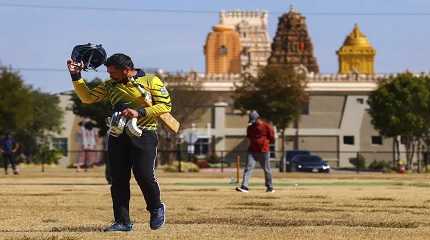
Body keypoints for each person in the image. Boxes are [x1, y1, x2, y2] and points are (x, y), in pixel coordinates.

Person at [67, 53, 171, 232]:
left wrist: (140, 112)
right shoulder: (109, 85)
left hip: (144, 134)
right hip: (118, 134)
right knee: (118, 179)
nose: (109, 76)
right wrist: (76, 76)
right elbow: (87, 97)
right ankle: (122, 222)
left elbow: (165, 106)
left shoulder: (151, 81)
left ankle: (156, 208)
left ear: (126, 71)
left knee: (144, 174)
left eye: (113, 72)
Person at [236, 110, 275, 193]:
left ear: (258, 118)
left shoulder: (266, 126)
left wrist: (265, 143)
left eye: (254, 120)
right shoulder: (250, 128)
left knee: (266, 169)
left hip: (264, 151)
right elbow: (249, 137)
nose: (253, 123)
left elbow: (272, 137)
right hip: (252, 151)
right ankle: (244, 187)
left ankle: (270, 187)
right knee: (248, 168)